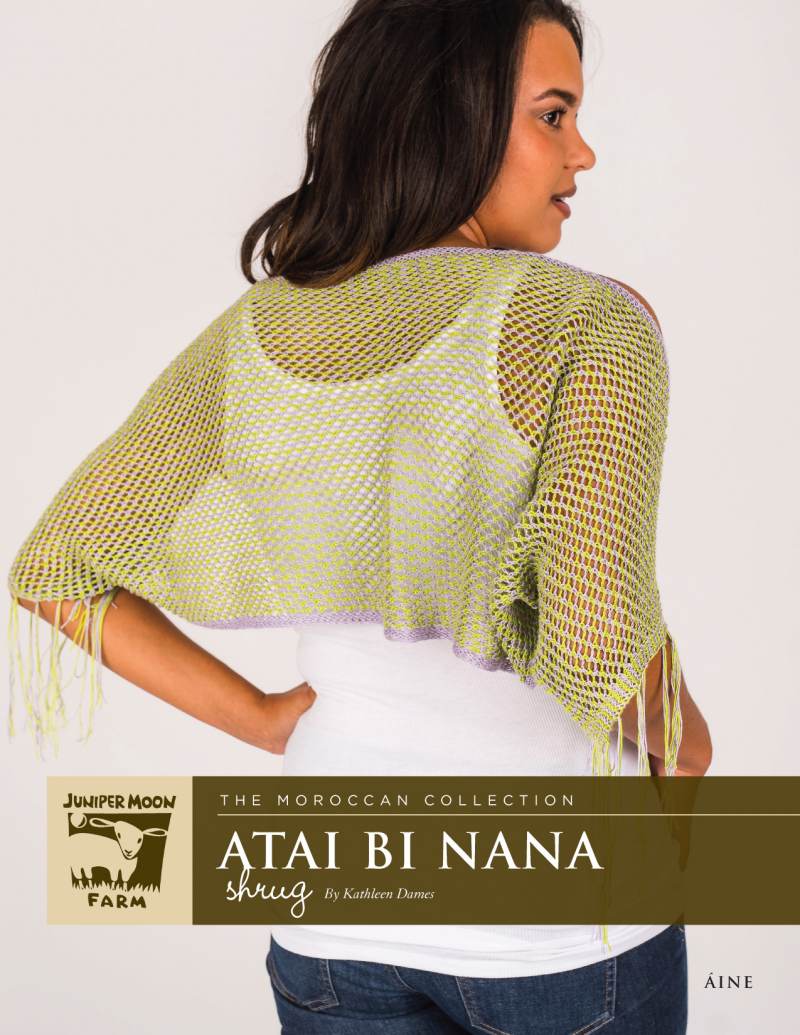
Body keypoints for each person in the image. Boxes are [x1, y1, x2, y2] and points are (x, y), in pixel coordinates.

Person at [8, 1, 712, 1032]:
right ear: (451, 116)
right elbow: (598, 633)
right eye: (552, 115)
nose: (583, 152)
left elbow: (52, 569)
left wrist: (262, 718)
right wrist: (684, 743)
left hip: (331, 918)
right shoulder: (586, 322)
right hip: (556, 925)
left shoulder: (258, 330)